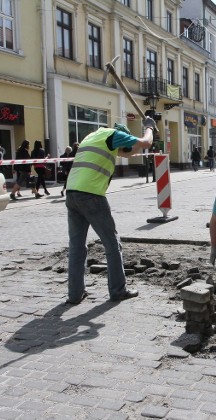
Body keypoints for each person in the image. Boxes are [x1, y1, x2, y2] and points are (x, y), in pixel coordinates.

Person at [65, 118, 156, 304]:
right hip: (91, 195)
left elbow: (128, 154)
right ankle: (118, 291)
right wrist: (149, 128)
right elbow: (145, 143)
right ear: (122, 135)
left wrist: (140, 143)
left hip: (72, 193)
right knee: (112, 244)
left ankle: (75, 294)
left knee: (77, 247)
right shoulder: (114, 135)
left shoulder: (93, 137)